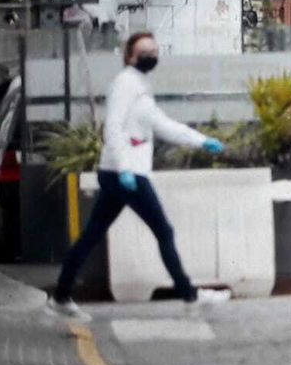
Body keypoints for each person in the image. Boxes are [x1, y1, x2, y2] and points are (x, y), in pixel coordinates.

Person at [47, 32, 230, 321]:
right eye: (144, 51)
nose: (151, 55)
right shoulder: (125, 84)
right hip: (125, 172)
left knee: (91, 235)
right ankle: (190, 296)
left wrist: (201, 140)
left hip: (122, 172)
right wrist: (124, 170)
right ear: (129, 56)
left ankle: (60, 296)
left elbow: (161, 125)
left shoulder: (140, 85)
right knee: (163, 231)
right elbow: (114, 128)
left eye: (154, 50)